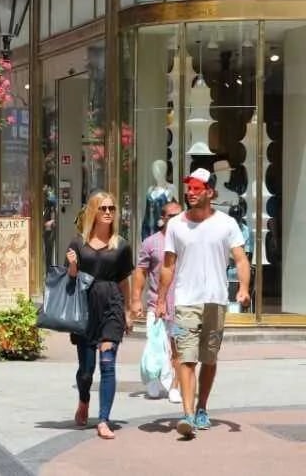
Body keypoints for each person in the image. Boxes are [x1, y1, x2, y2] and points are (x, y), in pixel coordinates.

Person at [156, 168, 251, 438]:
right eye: (189, 188)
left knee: (209, 359)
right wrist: (161, 299)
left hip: (216, 301)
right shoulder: (176, 225)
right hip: (185, 302)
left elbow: (241, 260)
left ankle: (202, 408)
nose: (191, 193)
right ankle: (186, 414)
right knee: (185, 358)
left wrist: (243, 289)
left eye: (197, 189)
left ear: (210, 191)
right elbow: (167, 266)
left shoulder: (226, 224)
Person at [66, 191, 135, 439]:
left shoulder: (122, 245)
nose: (108, 213)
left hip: (112, 306)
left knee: (107, 365)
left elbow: (124, 280)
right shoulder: (78, 244)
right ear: (94, 211)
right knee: (86, 370)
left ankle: (104, 419)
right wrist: (73, 265)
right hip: (84, 308)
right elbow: (70, 278)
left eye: (112, 209)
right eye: (103, 208)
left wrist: (128, 310)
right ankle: (84, 400)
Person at [132, 201, 183, 403]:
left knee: (179, 347)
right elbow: (140, 272)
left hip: (182, 307)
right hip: (156, 306)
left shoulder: (187, 242)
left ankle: (175, 387)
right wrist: (136, 299)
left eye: (180, 215)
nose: (177, 219)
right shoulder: (151, 243)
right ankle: (153, 380)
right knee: (155, 346)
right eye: (172, 216)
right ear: (163, 219)